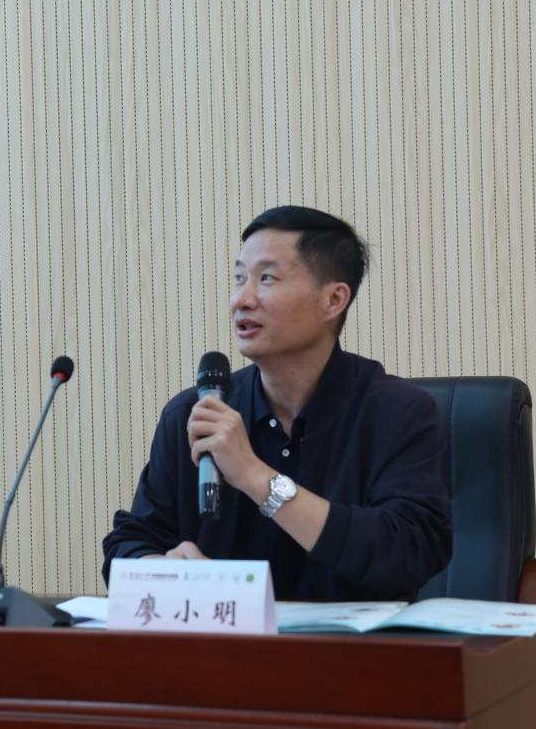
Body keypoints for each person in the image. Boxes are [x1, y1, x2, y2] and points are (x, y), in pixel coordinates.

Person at [102, 206, 452, 601]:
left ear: (333, 299)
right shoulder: (194, 415)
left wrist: (254, 475)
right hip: (222, 638)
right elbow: (128, 545)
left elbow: (408, 553)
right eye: (239, 278)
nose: (241, 299)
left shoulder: (397, 413)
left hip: (349, 641)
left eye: (266, 278)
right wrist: (163, 569)